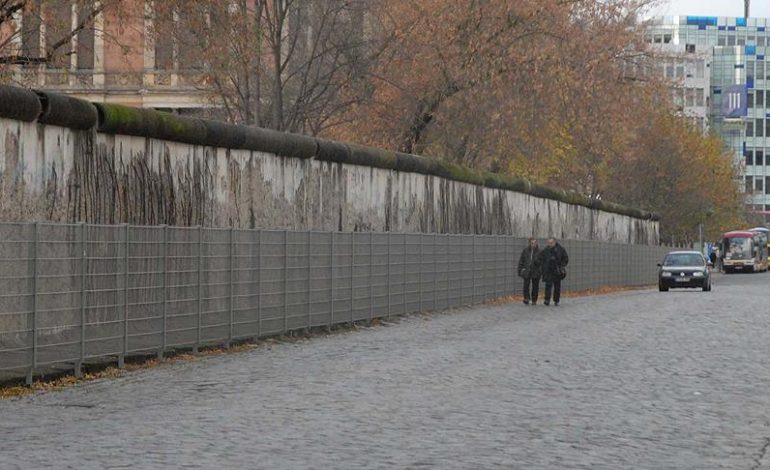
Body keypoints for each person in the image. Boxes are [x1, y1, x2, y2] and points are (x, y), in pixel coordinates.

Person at [538, 237, 569, 306]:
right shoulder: (546, 250)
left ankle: (556, 300)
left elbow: (565, 258)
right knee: (548, 286)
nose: (550, 244)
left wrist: (562, 266)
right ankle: (547, 300)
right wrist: (542, 265)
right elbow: (540, 258)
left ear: (555, 242)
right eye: (548, 243)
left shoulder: (561, 249)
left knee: (557, 286)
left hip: (557, 271)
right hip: (548, 270)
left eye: (551, 243)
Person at [517, 238, 541, 305]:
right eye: (532, 243)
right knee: (526, 285)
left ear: (536, 243)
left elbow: (542, 262)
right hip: (527, 270)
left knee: (535, 286)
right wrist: (521, 269)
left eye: (534, 243)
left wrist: (540, 270)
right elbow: (521, 260)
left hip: (536, 271)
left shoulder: (539, 251)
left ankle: (534, 300)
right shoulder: (525, 251)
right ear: (529, 243)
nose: (533, 244)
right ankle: (526, 298)